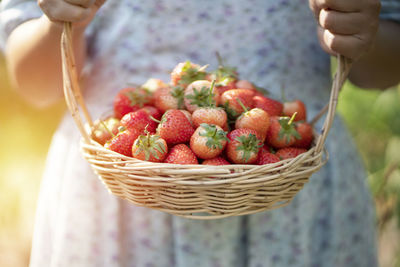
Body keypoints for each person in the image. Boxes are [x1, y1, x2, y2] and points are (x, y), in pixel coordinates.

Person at [1, 0, 400, 266]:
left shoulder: (262, 124)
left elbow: (386, 60)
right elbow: (35, 83)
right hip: (121, 183)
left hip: (292, 173)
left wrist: (358, 32)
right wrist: (61, 21)